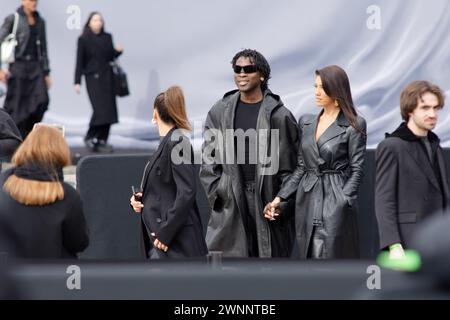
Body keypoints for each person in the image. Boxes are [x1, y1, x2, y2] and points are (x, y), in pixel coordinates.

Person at [199, 49, 299, 258]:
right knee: (228, 267)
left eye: (249, 69)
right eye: (237, 69)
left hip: (267, 198)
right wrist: (220, 193)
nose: (242, 74)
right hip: (232, 196)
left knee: (268, 267)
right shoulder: (220, 111)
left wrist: (281, 202)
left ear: (262, 75)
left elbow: (292, 166)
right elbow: (209, 159)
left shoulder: (280, 116)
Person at [265, 65, 367, 259]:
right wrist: (280, 198)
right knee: (308, 255)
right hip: (307, 198)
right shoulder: (306, 122)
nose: (317, 92)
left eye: (323, 87)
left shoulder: (354, 124)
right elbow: (302, 168)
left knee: (332, 259)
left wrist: (343, 201)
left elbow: (358, 170)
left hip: (335, 199)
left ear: (337, 90)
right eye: (315, 86)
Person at [130, 86, 207, 259]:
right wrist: (140, 199)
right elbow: (164, 190)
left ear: (155, 115)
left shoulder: (177, 141)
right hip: (163, 241)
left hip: (174, 244)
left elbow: (186, 191)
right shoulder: (170, 142)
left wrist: (166, 232)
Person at [375, 81, 449, 259]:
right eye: (425, 108)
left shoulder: (434, 145)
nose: (432, 114)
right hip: (409, 240)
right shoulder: (391, 146)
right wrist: (393, 245)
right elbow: (384, 200)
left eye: (436, 108)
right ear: (410, 110)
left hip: (438, 240)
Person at [0, 124, 89, 259]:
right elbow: (79, 243)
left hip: (13, 271)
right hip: (54, 274)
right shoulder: (68, 195)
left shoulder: (5, 182)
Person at [0, 0, 52, 139]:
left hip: (36, 68)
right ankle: (15, 139)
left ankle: (29, 135)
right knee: (17, 106)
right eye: (31, 0)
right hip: (18, 67)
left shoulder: (40, 21)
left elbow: (44, 49)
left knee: (42, 101)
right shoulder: (13, 18)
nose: (34, 3)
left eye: (36, 0)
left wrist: (47, 73)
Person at [74, 12, 123, 153]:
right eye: (95, 20)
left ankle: (102, 139)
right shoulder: (83, 39)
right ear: (89, 22)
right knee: (100, 109)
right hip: (92, 79)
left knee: (109, 110)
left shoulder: (108, 37)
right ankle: (91, 136)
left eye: (100, 20)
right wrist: (77, 81)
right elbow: (79, 62)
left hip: (108, 78)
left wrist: (118, 52)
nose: (98, 23)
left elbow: (109, 56)